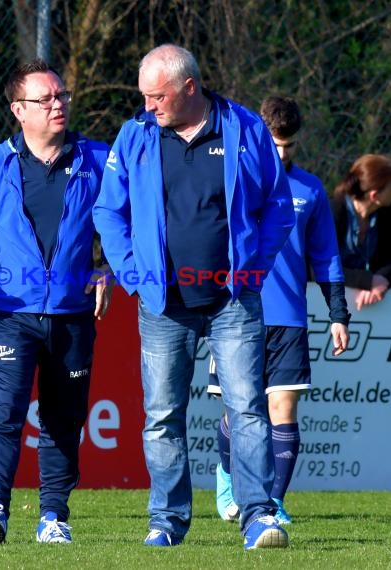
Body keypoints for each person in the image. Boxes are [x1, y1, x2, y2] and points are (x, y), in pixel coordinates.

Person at [93, 44, 295, 550]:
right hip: (163, 304)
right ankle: (166, 521)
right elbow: (108, 211)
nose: (148, 107)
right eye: (143, 96)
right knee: (163, 415)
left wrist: (254, 268)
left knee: (247, 408)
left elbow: (278, 207)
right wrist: (134, 274)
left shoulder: (245, 129)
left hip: (233, 300)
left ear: (189, 88)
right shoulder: (134, 135)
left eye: (156, 96)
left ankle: (258, 518)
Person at [0, 60, 112, 544]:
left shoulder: (99, 158)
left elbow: (126, 225)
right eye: (46, 99)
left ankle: (53, 518)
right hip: (8, 315)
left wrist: (111, 271)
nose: (58, 104)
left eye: (61, 95)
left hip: (73, 317)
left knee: (64, 421)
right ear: (19, 110)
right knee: (5, 414)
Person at [208, 95, 351, 525]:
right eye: (275, 143)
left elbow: (326, 255)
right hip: (236, 313)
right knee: (238, 412)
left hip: (289, 319)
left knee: (282, 412)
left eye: (289, 145)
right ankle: (228, 480)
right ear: (260, 137)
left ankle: (271, 504)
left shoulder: (310, 190)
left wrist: (338, 314)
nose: (282, 153)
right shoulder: (236, 180)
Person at [330, 154, 391, 311]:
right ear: (374, 196)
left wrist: (382, 278)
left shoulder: (385, 214)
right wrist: (366, 281)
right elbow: (319, 268)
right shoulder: (331, 213)